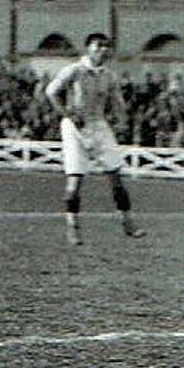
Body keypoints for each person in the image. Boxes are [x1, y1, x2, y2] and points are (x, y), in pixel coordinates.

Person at [45, 33, 146, 246]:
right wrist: (68, 114)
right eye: (98, 46)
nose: (102, 50)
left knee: (116, 176)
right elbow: (51, 92)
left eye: (106, 46)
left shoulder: (108, 75)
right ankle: (73, 228)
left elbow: (117, 102)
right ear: (88, 48)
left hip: (98, 124)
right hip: (75, 126)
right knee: (75, 180)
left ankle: (128, 222)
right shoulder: (74, 70)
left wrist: (122, 121)